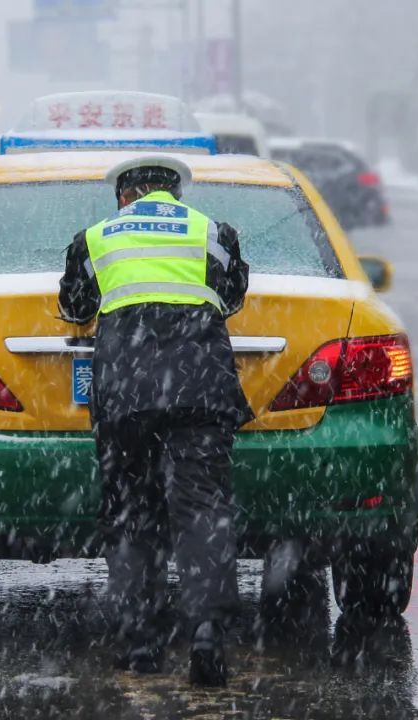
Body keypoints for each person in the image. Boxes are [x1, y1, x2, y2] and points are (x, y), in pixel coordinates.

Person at [58, 155, 252, 687]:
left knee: (131, 510)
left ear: (124, 196)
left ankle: (139, 641)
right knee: (201, 508)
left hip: (125, 393)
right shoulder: (213, 232)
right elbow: (232, 297)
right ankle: (207, 631)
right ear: (175, 194)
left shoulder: (95, 238)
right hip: (202, 388)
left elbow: (75, 307)